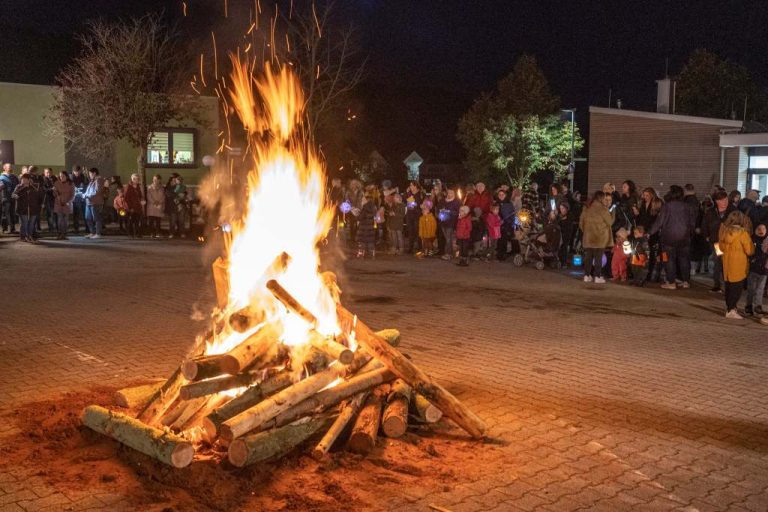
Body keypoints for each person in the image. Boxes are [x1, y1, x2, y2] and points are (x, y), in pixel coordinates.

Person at [650, 185, 696, 290]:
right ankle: (686, 281)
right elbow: (692, 223)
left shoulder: (667, 206)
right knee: (684, 259)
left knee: (669, 260)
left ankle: (671, 282)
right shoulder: (687, 206)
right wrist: (690, 234)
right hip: (684, 237)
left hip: (668, 237)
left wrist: (650, 232)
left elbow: (659, 222)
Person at [718, 211, 754, 319]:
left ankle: (730, 308)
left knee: (728, 288)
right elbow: (749, 251)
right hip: (738, 265)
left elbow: (719, 247)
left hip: (727, 265)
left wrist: (720, 258)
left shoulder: (723, 231)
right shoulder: (743, 233)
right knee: (736, 289)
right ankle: (731, 310)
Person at [702, 190, 736, 292]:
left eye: (725, 199)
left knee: (728, 263)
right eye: (721, 200)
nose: (724, 202)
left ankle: (729, 285)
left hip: (730, 242)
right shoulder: (711, 212)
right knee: (718, 262)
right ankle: (718, 285)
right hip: (717, 241)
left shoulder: (733, 211)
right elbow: (705, 224)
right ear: (716, 201)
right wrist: (707, 235)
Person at [579, 190, 614, 283]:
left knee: (588, 257)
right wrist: (613, 213)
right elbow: (610, 222)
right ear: (601, 198)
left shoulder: (587, 207)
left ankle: (587, 275)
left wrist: (586, 231)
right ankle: (597, 276)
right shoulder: (603, 209)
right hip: (600, 237)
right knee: (598, 257)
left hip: (588, 237)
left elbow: (581, 223)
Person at [12, 173, 43, 243]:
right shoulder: (18, 186)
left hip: (33, 208)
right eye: (22, 179)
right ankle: (24, 236)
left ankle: (29, 235)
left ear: (29, 180)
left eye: (25, 179)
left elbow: (40, 195)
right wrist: (23, 188)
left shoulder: (34, 187)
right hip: (22, 208)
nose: (23, 181)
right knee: (25, 223)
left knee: (32, 223)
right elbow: (13, 195)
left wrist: (40, 204)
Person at [745, 223, 767, 316]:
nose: (761, 231)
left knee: (760, 289)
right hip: (753, 268)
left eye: (763, 229)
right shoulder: (752, 239)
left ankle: (758, 306)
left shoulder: (767, 240)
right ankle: (748, 306)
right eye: (759, 228)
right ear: (756, 230)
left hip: (764, 269)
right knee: (751, 289)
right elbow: (749, 252)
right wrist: (752, 260)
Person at [83, 167, 108, 239]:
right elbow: (89, 191)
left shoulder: (99, 180)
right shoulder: (92, 181)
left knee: (96, 218)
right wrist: (84, 195)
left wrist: (87, 195)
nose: (89, 175)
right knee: (88, 218)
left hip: (96, 202)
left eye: (90, 174)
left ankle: (98, 233)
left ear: (94, 173)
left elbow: (97, 191)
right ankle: (92, 232)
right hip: (89, 202)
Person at [437, 189, 460, 260]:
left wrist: (449, 211)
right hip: (443, 221)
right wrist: (440, 212)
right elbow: (438, 208)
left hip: (451, 222)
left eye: (451, 193)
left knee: (448, 238)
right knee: (447, 238)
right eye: (449, 192)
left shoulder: (457, 202)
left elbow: (458, 212)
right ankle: (450, 253)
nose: (450, 194)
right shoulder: (442, 200)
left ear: (454, 193)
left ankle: (448, 254)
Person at [53, 170, 75, 239]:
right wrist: (55, 192)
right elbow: (54, 194)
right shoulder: (57, 183)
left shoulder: (71, 183)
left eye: (63, 176)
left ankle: (64, 234)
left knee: (65, 220)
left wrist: (68, 201)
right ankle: (60, 233)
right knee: (59, 219)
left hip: (67, 203)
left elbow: (73, 194)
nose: (61, 177)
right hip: (58, 203)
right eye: (60, 176)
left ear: (66, 176)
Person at [404, 181, 424, 254]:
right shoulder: (409, 193)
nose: (410, 187)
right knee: (410, 232)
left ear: (416, 186)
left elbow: (417, 204)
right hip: (410, 215)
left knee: (417, 231)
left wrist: (411, 199)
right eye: (410, 185)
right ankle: (410, 248)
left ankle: (419, 247)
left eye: (412, 185)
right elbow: (405, 201)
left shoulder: (421, 194)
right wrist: (407, 193)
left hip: (417, 215)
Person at [0, 163, 19, 234]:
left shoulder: (14, 177)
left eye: (11, 167)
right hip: (5, 198)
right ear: (4, 168)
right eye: (8, 167)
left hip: (13, 198)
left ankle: (12, 228)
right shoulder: (1, 177)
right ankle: (4, 228)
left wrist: (16, 193)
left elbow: (18, 185)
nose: (10, 168)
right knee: (5, 213)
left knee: (12, 213)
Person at [356, 193, 377, 258]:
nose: (362, 201)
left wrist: (357, 214)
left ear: (366, 200)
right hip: (370, 227)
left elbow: (360, 217)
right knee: (370, 241)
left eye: (363, 200)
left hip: (363, 227)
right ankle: (372, 254)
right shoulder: (373, 207)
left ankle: (361, 254)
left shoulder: (365, 208)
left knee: (362, 241)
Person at [124, 173, 145, 238]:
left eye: (137, 179)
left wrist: (142, 200)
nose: (136, 180)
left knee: (137, 221)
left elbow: (140, 195)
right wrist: (130, 207)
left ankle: (137, 233)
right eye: (134, 179)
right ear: (132, 179)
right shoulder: (128, 186)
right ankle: (130, 234)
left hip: (138, 207)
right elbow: (126, 198)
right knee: (131, 221)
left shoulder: (138, 186)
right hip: (131, 207)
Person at [146, 174, 165, 238]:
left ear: (159, 180)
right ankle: (152, 233)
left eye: (156, 179)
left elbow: (163, 196)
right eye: (154, 179)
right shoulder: (149, 187)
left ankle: (158, 233)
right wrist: (154, 202)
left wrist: (159, 202)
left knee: (158, 221)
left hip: (159, 206)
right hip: (151, 206)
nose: (155, 180)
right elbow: (148, 196)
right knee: (151, 220)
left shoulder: (162, 188)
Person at [557, 202, 575, 267]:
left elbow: (568, 226)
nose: (561, 210)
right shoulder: (559, 216)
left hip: (566, 234)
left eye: (563, 208)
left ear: (566, 209)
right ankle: (558, 260)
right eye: (560, 208)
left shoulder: (570, 215)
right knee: (560, 247)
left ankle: (564, 262)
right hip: (559, 234)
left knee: (564, 247)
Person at [70, 166, 88, 234]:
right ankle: (76, 228)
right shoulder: (71, 177)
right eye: (75, 172)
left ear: (80, 171)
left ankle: (87, 228)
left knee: (85, 214)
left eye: (78, 172)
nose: (77, 173)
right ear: (73, 172)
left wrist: (83, 186)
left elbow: (86, 184)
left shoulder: (83, 177)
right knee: (76, 214)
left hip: (83, 198)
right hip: (75, 198)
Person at [42, 168, 57, 233]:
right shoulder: (43, 180)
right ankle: (51, 228)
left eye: (50, 172)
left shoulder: (55, 179)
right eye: (47, 172)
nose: (48, 174)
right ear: (44, 173)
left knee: (55, 214)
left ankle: (56, 227)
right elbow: (44, 189)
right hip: (48, 199)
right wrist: (51, 189)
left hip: (55, 199)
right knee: (50, 214)